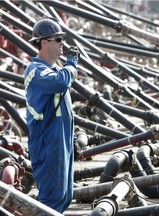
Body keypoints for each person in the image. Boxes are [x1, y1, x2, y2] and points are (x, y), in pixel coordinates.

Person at [24, 17, 78, 213]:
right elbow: (60, 83)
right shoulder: (36, 71)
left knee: (65, 196)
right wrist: (72, 63)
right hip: (47, 143)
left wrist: (72, 139)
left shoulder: (55, 70)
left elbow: (65, 112)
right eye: (58, 39)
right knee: (51, 199)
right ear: (44, 42)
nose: (62, 44)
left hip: (61, 141)